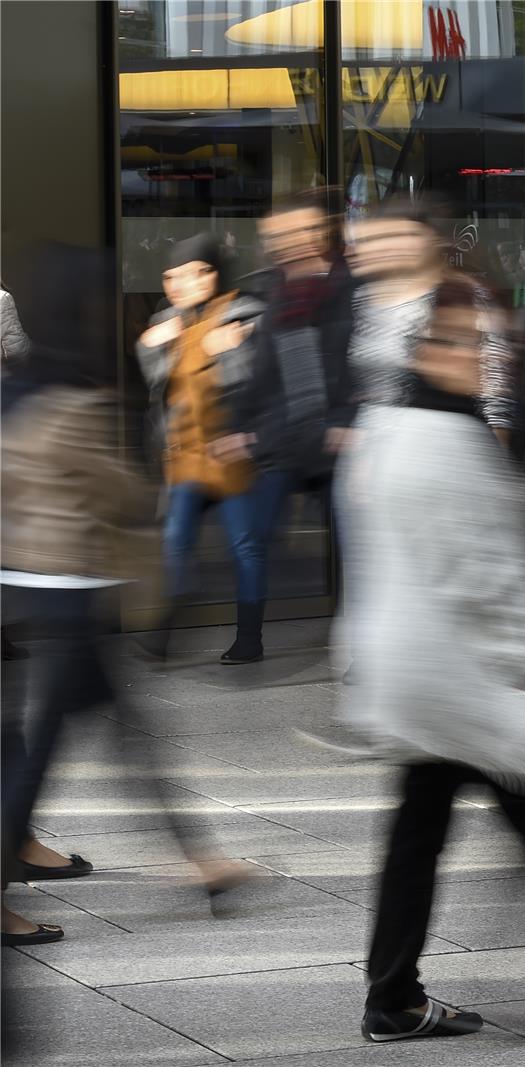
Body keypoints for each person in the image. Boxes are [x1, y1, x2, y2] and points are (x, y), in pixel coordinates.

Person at [337, 209, 525, 1043]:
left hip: (414, 671)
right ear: (420, 352)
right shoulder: (447, 447)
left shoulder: (380, 435)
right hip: (454, 676)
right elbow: (488, 587)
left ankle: (396, 994)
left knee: (424, 826)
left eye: (480, 342)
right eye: (456, 342)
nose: (480, 355)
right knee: (517, 796)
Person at [3, 247, 251, 947]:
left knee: (126, 734)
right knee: (47, 750)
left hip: (30, 584)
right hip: (68, 593)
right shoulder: (72, 395)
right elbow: (122, 493)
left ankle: (203, 861)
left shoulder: (14, 388)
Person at [214, 190, 357, 610]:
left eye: (300, 231)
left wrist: (349, 419)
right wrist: (237, 428)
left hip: (338, 440)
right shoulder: (272, 290)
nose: (288, 242)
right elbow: (260, 373)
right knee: (253, 535)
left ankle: (356, 645)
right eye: (277, 234)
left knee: (355, 548)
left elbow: (359, 363)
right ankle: (248, 634)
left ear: (320, 231)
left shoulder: (349, 286)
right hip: (280, 438)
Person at [135, 235, 270, 663]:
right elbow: (158, 381)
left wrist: (224, 351)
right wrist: (149, 346)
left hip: (231, 453)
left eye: (189, 274)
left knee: (244, 546)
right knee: (176, 541)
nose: (176, 285)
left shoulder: (245, 312)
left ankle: (249, 638)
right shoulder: (169, 318)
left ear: (212, 274)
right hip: (186, 455)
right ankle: (162, 628)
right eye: (169, 277)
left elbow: (257, 380)